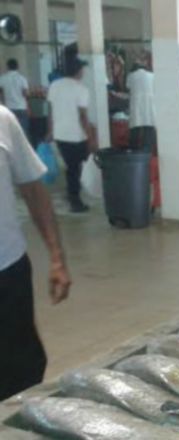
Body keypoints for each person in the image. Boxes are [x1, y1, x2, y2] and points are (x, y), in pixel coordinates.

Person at [0, 105, 71, 401]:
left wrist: (57, 257)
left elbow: (33, 190)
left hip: (7, 270)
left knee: (21, 369)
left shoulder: (3, 119)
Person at [46, 58, 97, 213]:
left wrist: (50, 130)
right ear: (78, 71)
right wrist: (91, 137)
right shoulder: (81, 89)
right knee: (76, 168)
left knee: (71, 167)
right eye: (82, 69)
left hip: (60, 134)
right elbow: (82, 116)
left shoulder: (54, 85)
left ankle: (73, 194)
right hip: (76, 135)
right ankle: (75, 200)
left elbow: (50, 110)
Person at [125, 62, 156, 153]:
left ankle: (134, 154)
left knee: (135, 131)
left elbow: (128, 88)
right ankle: (147, 153)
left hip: (136, 107)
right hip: (149, 108)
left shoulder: (131, 76)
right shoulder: (152, 76)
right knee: (149, 130)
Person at [0, 59, 30, 138]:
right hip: (21, 108)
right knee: (23, 131)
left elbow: (1, 93)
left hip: (9, 108)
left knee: (10, 132)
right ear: (17, 67)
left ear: (7, 67)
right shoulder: (22, 78)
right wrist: (28, 107)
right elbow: (26, 94)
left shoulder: (2, 78)